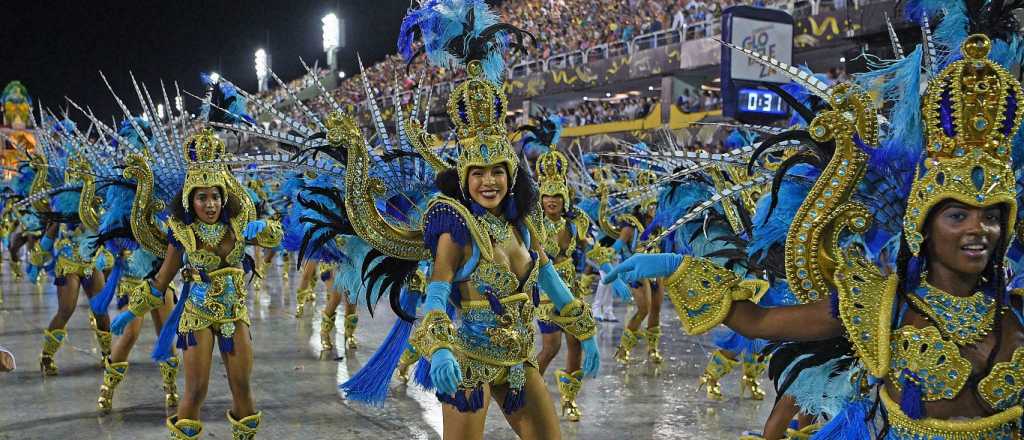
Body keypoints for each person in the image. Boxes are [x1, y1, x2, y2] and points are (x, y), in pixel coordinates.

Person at [606, 31, 1024, 439]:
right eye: (957, 215)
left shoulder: (1015, 312)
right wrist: (676, 265)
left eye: (991, 216)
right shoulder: (881, 302)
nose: (978, 229)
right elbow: (758, 321)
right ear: (924, 225)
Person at [152, 130, 283, 439]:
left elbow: (278, 237)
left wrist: (266, 228)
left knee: (242, 388)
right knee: (196, 391)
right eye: (202, 197)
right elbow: (163, 278)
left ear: (223, 197)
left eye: (214, 196)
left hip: (233, 312)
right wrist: (133, 309)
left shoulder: (240, 224)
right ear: (190, 199)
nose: (209, 204)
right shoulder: (182, 232)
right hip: (197, 314)